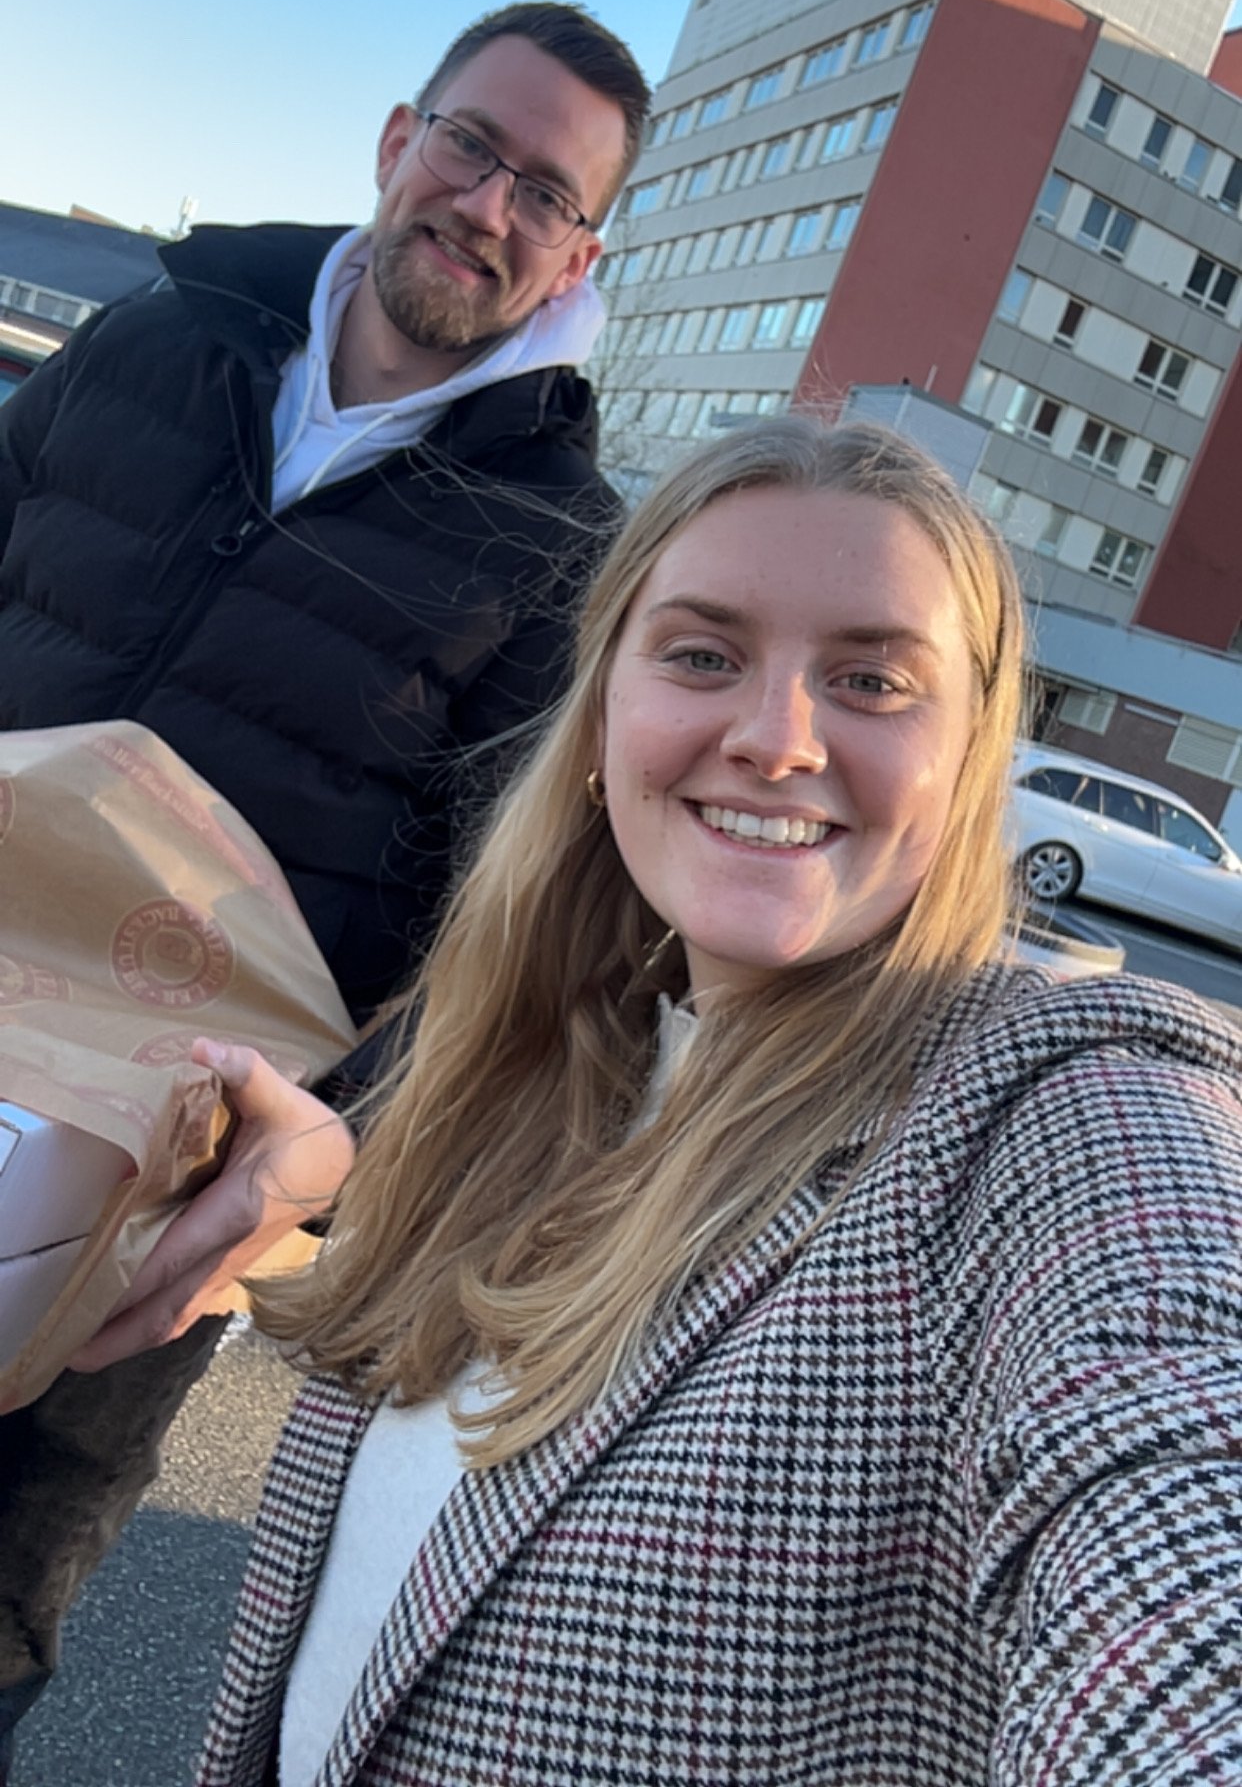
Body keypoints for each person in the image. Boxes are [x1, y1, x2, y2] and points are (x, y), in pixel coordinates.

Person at [196, 417, 1242, 1787]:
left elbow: (1180, 1545)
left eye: (872, 681)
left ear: (970, 756)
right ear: (603, 710)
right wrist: (326, 1184)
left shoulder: (1066, 1108)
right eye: (701, 656)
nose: (776, 739)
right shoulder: (562, 1057)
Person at [0, 2, 650, 1773]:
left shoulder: (559, 548)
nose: (488, 205)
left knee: (2, 1575)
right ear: (395, 140)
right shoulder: (157, 339)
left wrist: (324, 1147)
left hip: (164, 1161)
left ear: (580, 252)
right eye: (471, 145)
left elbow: (492, 938)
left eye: (547, 191)